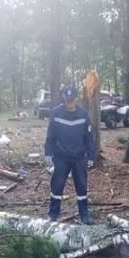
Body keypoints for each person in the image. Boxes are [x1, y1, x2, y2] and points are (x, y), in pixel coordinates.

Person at [44, 86, 96, 224]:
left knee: (82, 187)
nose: (69, 104)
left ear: (76, 100)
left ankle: (84, 216)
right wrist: (48, 153)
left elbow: (89, 137)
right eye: (67, 101)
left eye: (72, 101)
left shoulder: (83, 114)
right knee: (57, 185)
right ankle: (53, 215)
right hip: (61, 157)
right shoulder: (56, 113)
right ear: (64, 100)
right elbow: (50, 135)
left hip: (79, 157)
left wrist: (91, 155)